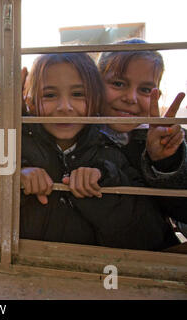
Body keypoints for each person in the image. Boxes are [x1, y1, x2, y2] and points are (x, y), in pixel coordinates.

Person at [19, 52, 178, 250]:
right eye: (119, 84)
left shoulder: (112, 151)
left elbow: (150, 233)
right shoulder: (20, 143)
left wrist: (106, 181)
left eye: (78, 94)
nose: (65, 107)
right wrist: (16, 175)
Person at [97, 39, 187, 232]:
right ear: (95, 84)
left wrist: (164, 162)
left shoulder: (167, 140)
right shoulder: (72, 133)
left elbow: (182, 213)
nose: (131, 98)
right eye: (118, 83)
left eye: (145, 90)